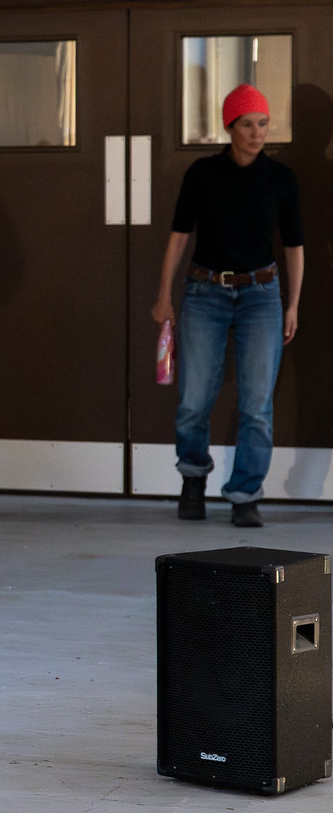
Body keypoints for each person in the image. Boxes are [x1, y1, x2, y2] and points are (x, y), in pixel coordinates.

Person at [151, 83, 304, 529]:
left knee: (257, 404)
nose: (257, 133)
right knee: (194, 399)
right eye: (247, 125)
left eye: (263, 124)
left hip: (262, 295)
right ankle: (193, 479)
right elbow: (179, 236)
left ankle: (245, 495)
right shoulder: (202, 174)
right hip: (205, 293)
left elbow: (294, 246)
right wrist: (163, 296)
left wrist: (293, 305)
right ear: (229, 127)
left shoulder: (281, 179)